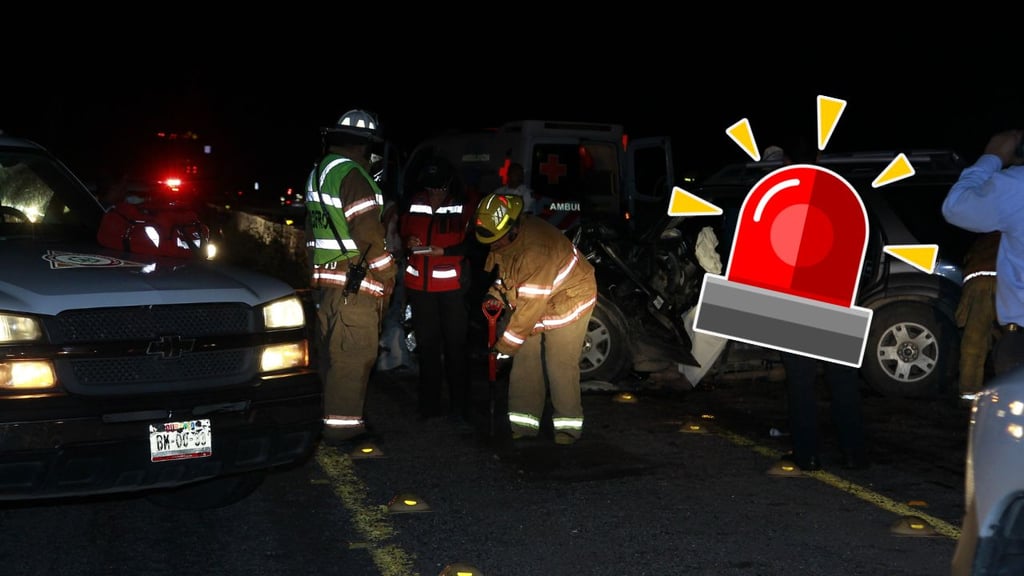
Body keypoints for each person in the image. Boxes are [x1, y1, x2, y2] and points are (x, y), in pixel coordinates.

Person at [474, 192, 597, 445]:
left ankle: (568, 427)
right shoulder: (508, 240)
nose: (492, 246)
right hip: (540, 296)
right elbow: (510, 276)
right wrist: (495, 293)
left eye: (496, 240)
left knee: (558, 364)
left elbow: (530, 309)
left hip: (570, 298)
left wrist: (502, 348)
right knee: (525, 361)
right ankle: (524, 424)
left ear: (512, 227)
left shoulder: (536, 250)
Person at [305, 108, 396, 443]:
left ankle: (332, 416)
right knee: (353, 356)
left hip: (326, 284)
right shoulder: (354, 176)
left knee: (332, 355)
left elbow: (310, 235)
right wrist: (389, 270)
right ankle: (344, 430)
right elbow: (368, 232)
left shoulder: (318, 173)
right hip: (353, 286)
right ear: (363, 146)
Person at [942, 129, 1024, 378]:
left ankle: (968, 391)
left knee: (975, 338)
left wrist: (993, 157)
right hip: (988, 282)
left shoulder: (1015, 185)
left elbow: (956, 207)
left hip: (1010, 320)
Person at [399, 157, 474, 425]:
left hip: (452, 289)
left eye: (438, 188)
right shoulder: (415, 201)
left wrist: (447, 252)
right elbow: (403, 231)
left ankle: (459, 407)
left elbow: (475, 243)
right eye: (430, 188)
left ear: (448, 183)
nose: (433, 193)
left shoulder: (464, 204)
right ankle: (429, 406)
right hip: (420, 288)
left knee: (456, 348)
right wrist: (409, 240)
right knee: (428, 348)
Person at [955, 231, 1000, 400]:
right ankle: (1008, 390)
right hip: (1006, 283)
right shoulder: (1014, 231)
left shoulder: (983, 237)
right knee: (1010, 339)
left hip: (978, 284)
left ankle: (969, 391)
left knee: (974, 342)